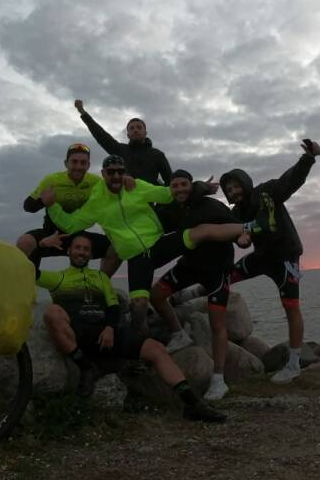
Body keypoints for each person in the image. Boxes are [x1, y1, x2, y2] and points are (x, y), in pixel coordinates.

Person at [41, 154, 248, 337]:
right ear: (103, 173)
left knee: (201, 231)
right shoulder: (96, 201)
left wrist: (200, 186)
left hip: (157, 244)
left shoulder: (136, 186)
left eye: (120, 172)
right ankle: (166, 337)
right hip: (137, 257)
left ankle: (248, 227)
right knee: (139, 307)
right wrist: (52, 206)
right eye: (110, 172)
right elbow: (72, 223)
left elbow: (169, 193)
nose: (115, 176)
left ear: (124, 173)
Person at [36, 233, 226, 422]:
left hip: (106, 334)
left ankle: (192, 404)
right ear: (69, 251)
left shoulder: (100, 278)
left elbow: (112, 307)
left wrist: (110, 328)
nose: (82, 252)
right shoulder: (57, 278)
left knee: (156, 349)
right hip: (79, 335)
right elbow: (27, 268)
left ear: (90, 254)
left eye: (86, 249)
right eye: (77, 248)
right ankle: (86, 368)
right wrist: (42, 245)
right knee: (51, 312)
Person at [220, 138, 320, 385]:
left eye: (235, 186)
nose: (233, 192)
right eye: (228, 190)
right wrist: (241, 240)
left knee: (291, 306)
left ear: (245, 183)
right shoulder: (235, 214)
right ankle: (188, 297)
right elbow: (238, 236)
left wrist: (308, 158)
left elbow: (291, 180)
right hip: (262, 258)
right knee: (223, 277)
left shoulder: (266, 192)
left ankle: (294, 364)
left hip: (287, 258)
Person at [149, 169, 238, 400]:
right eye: (175, 185)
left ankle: (219, 380)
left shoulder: (211, 206)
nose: (179, 189)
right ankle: (179, 333)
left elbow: (236, 227)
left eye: (183, 184)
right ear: (170, 189)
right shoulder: (170, 211)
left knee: (217, 323)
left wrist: (243, 238)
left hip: (217, 270)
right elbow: (154, 225)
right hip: (189, 265)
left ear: (190, 185)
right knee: (156, 295)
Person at [15, 142, 117, 276]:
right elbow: (28, 206)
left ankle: (100, 286)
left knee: (117, 247)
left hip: (78, 235)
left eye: (83, 163)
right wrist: (43, 201)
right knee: (24, 242)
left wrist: (127, 179)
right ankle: (27, 288)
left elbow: (116, 195)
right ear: (66, 163)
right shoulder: (52, 180)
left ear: (88, 165)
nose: (78, 167)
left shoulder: (96, 182)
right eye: (74, 162)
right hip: (50, 234)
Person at [74, 99, 172, 185]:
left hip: (148, 203)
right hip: (123, 201)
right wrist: (83, 112)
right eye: (132, 128)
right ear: (128, 134)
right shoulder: (120, 150)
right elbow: (101, 135)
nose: (136, 130)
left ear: (145, 133)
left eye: (139, 127)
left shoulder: (157, 155)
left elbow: (170, 181)